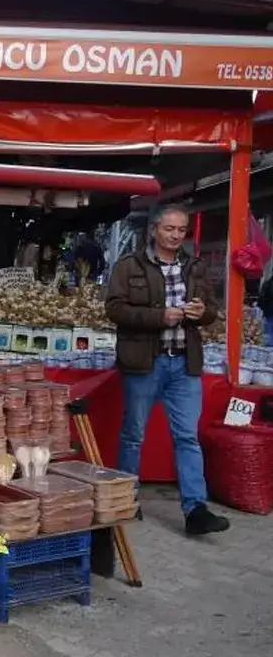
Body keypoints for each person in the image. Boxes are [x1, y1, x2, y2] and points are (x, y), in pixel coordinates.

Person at [106, 204, 228, 536]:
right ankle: (126, 500)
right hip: (145, 360)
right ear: (154, 230)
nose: (175, 235)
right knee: (134, 435)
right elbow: (114, 308)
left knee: (187, 436)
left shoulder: (195, 267)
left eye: (181, 230)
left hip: (184, 362)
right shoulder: (129, 266)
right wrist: (160, 317)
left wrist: (202, 312)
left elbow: (212, 311)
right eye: (169, 229)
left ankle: (196, 510)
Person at [258, 272, 273, 346]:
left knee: (269, 332)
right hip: (269, 311)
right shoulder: (267, 284)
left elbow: (261, 299)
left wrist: (262, 307)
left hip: (268, 312)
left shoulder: (267, 284)